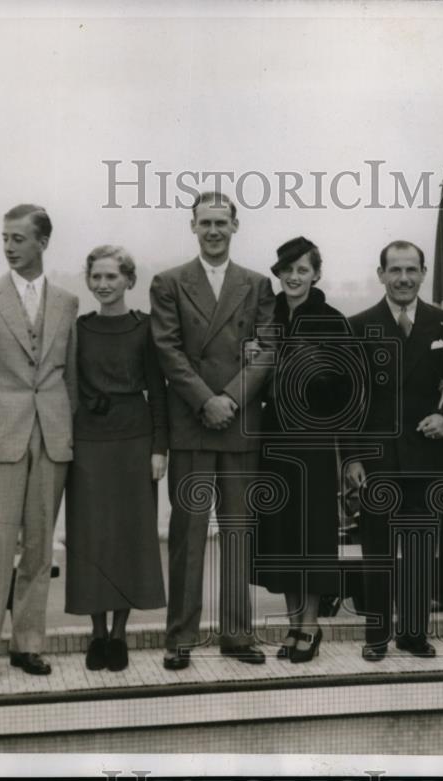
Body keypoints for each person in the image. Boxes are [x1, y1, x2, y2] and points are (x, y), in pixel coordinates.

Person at [0, 204, 78, 683]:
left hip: (52, 440)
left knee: (41, 550)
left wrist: (68, 438)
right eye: (5, 237)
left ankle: (29, 645)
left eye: (19, 238)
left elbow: (67, 377)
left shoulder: (67, 302)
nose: (8, 246)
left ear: (43, 241)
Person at [149, 191, 275, 670]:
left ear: (236, 226)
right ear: (193, 226)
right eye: (206, 223)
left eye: (222, 222)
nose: (214, 230)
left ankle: (238, 636)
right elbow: (168, 351)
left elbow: (265, 349)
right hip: (193, 425)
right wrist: (207, 400)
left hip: (239, 424)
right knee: (188, 534)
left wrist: (231, 399)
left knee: (239, 533)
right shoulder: (169, 282)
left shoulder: (258, 284)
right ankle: (179, 637)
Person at [345, 240, 443, 662]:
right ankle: (376, 635)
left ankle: (413, 633)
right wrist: (352, 457)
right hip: (377, 459)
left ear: (424, 272)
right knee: (376, 549)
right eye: (395, 270)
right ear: (381, 275)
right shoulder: (358, 325)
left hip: (426, 457)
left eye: (411, 269)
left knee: (418, 546)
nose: (404, 278)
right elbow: (350, 401)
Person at [64, 245, 169, 672]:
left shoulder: (145, 328)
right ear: (88, 281)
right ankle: (96, 634)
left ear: (129, 280)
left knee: (130, 537)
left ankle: (120, 635)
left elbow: (159, 391)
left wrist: (160, 448)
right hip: (87, 442)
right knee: (90, 537)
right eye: (97, 277)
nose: (103, 285)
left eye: (112, 277)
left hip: (135, 440)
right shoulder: (78, 329)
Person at [254, 236, 355, 664]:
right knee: (282, 535)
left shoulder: (332, 321)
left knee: (311, 534)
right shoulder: (266, 315)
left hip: (313, 438)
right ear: (277, 273)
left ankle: (311, 628)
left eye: (302, 269)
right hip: (272, 436)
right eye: (287, 270)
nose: (294, 277)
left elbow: (350, 391)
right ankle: (294, 623)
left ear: (316, 274)